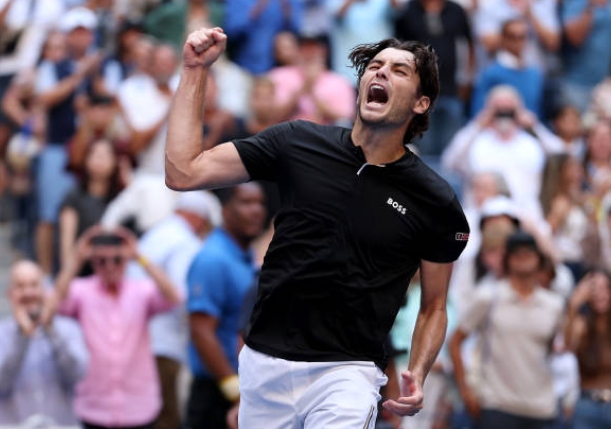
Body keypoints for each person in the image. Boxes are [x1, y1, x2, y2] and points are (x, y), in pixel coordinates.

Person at [165, 27, 470, 427]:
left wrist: (418, 370)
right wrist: (193, 71)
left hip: (348, 372)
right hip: (263, 365)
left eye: (399, 71)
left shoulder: (435, 199)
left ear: (421, 102)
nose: (380, 74)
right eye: (374, 67)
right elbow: (183, 172)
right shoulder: (296, 141)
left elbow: (433, 306)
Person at [46, 226, 182, 429]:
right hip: (94, 408)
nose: (109, 266)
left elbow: (174, 297)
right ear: (92, 262)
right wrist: (76, 259)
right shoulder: (82, 291)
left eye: (117, 260)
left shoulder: (141, 290)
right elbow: (52, 304)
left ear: (126, 260)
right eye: (101, 261)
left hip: (139, 407)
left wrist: (139, 256)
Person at [448, 231, 565, 429]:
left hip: (542, 407)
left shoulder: (554, 305)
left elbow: (556, 351)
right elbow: (455, 341)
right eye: (517, 252)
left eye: (529, 251)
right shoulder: (489, 297)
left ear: (539, 258)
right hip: (497, 405)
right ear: (508, 259)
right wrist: (466, 391)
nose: (523, 256)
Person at [133, 190, 222, 429]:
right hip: (163, 343)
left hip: (137, 338)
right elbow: (184, 296)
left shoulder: (156, 233)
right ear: (199, 218)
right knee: (166, 418)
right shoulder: (185, 242)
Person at [184, 183, 266, 429]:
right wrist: (233, 390)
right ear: (224, 209)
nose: (256, 211)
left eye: (260, 203)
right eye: (246, 202)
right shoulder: (213, 259)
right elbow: (201, 330)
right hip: (217, 393)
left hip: (244, 390)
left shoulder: (244, 253)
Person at [0, 259, 88, 426]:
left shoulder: (67, 328)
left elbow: (78, 373)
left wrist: (50, 330)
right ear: (9, 293)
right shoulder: (2, 333)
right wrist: (22, 337)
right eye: (20, 286)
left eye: (34, 285)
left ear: (45, 290)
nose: (28, 293)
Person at [564, 268, 611, 428]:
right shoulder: (581, 325)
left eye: (604, 288)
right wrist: (573, 305)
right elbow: (567, 344)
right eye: (593, 289)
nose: (599, 294)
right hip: (587, 405)